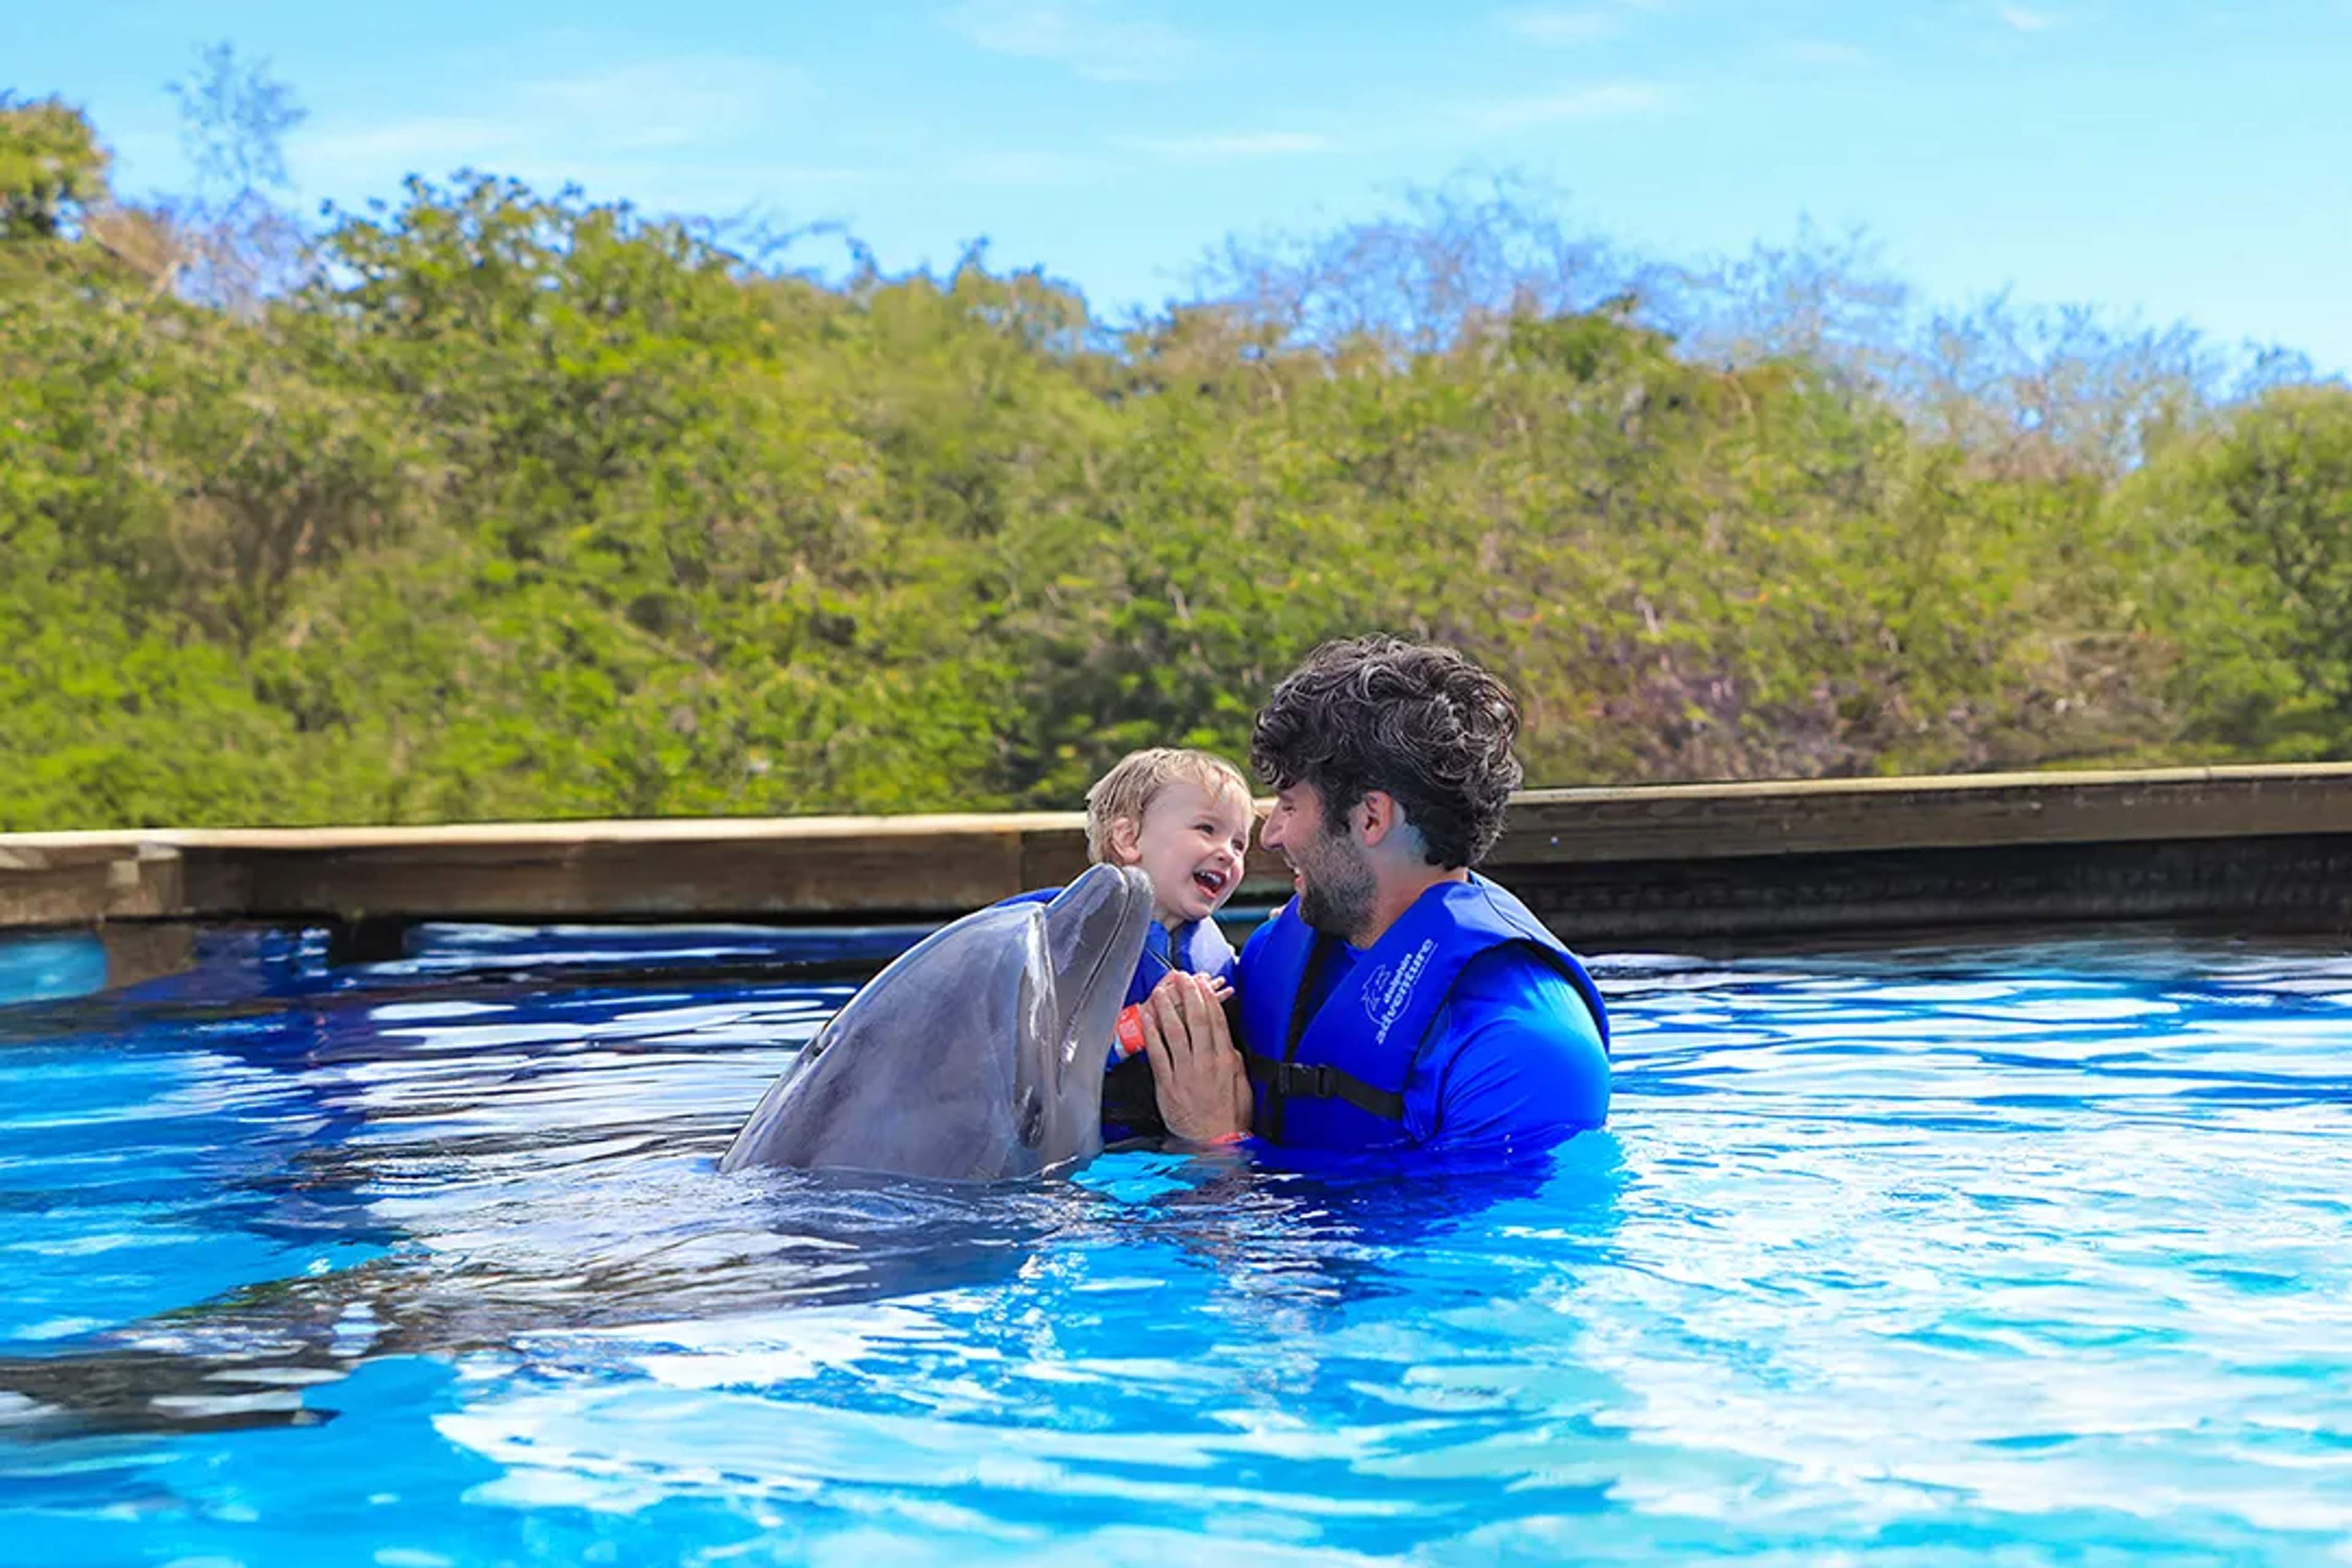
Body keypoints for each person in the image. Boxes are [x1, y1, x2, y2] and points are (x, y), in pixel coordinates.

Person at [1132, 638, 1611, 1156]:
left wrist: (1212, 1145)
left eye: (1290, 807)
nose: (1271, 838)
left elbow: (1457, 1237)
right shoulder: (1273, 953)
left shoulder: (1522, 1047)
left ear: (1371, 818)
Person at [998, 747, 1254, 1136]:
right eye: (1207, 829)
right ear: (1128, 838)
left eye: (1239, 844)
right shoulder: (1069, 938)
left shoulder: (1218, 958)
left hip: (1173, 1148)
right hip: (1093, 1158)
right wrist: (1140, 1025)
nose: (1227, 854)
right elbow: (1032, 1069)